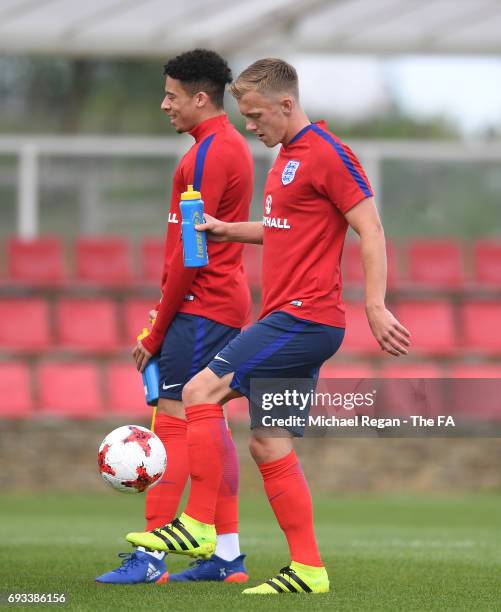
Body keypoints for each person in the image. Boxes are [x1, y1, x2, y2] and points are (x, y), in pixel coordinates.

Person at [126, 58, 411, 595]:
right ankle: (308, 569)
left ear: (286, 104)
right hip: (294, 319)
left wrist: (376, 303)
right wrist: (226, 228)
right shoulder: (286, 159)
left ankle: (202, 525)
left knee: (198, 391)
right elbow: (283, 228)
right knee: (268, 443)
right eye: (245, 116)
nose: (250, 125)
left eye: (256, 115)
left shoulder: (328, 153)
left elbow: (370, 227)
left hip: (302, 317)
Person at [96, 49, 253, 585]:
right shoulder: (223, 149)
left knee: (172, 426)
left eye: (171, 95)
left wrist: (158, 326)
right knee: (213, 429)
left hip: (200, 309)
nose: (165, 105)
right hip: (215, 306)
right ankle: (228, 556)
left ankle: (152, 559)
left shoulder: (208, 155)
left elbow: (192, 251)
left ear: (199, 97)